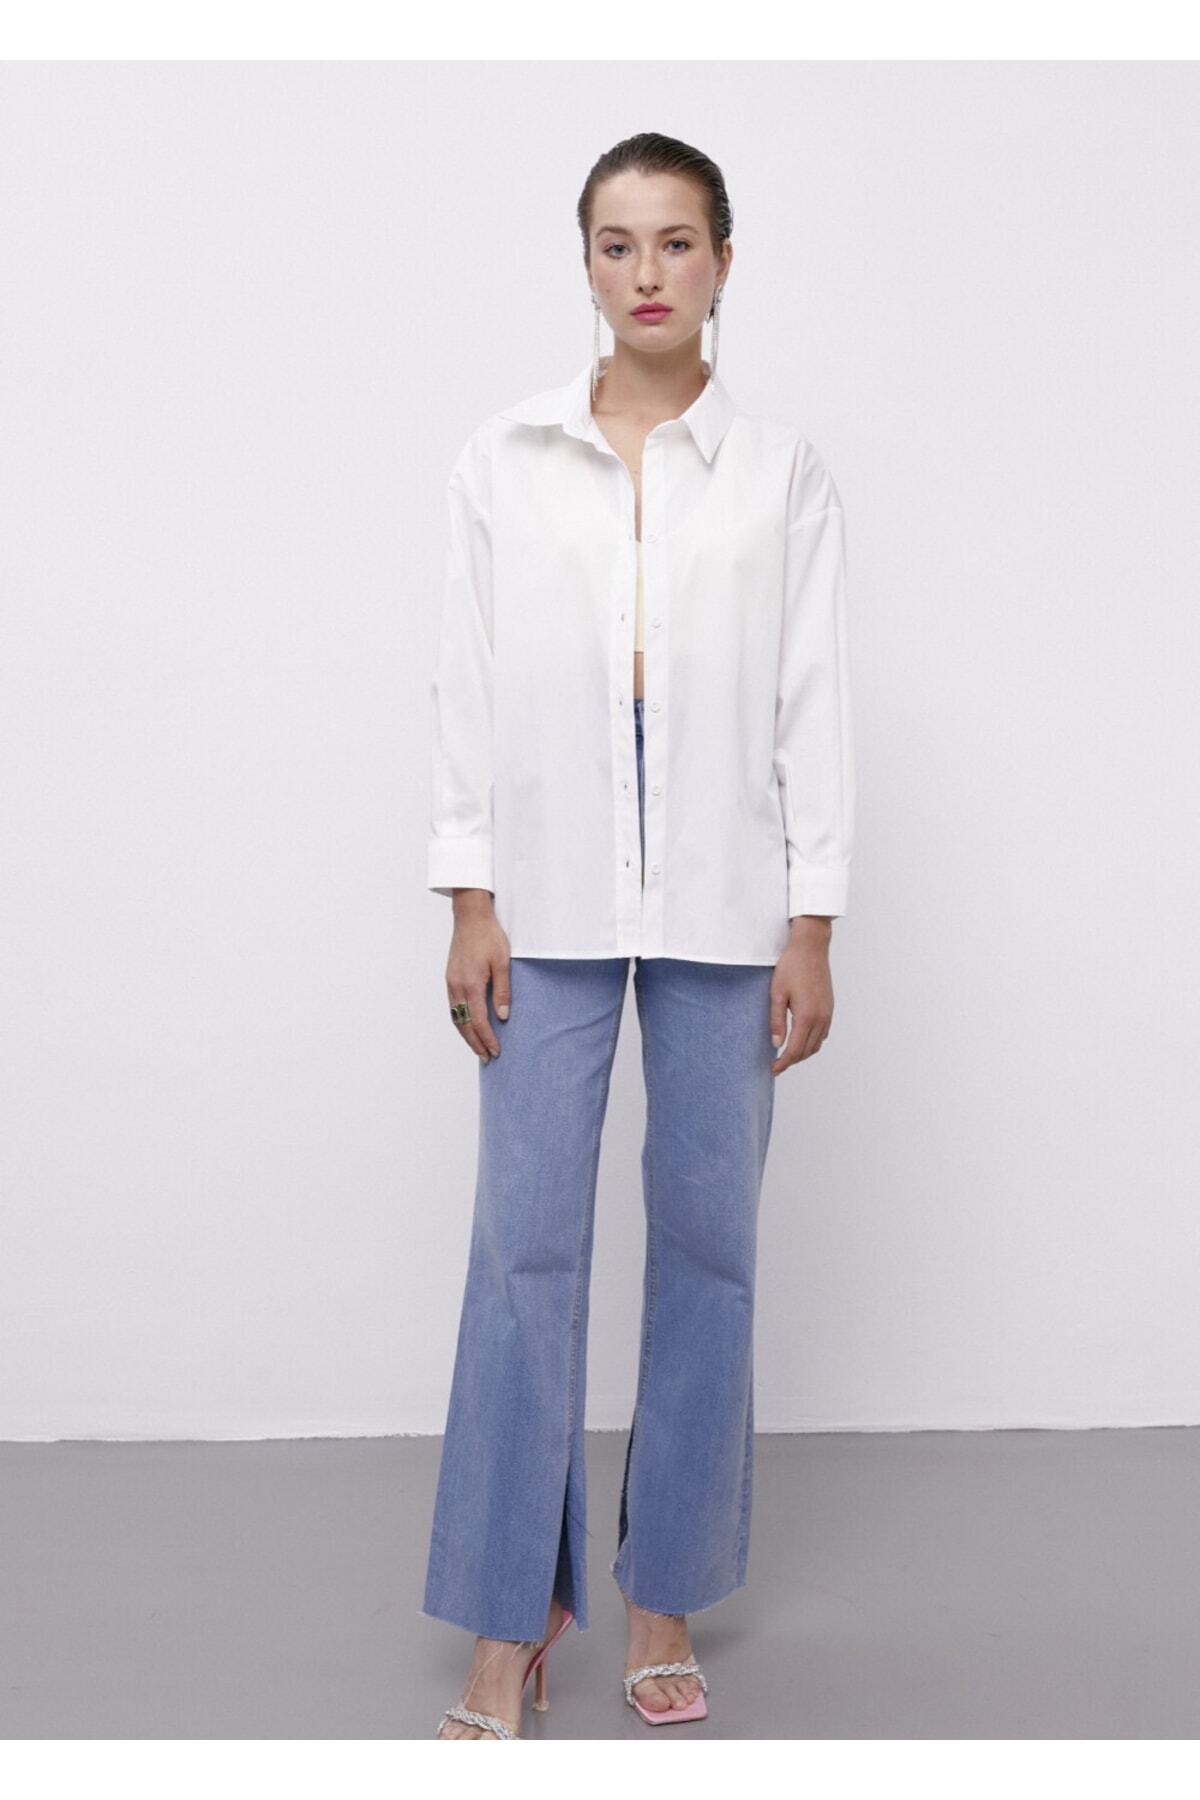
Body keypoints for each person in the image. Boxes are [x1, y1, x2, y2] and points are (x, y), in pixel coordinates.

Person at [421, 131, 855, 1739]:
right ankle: (511, 1614)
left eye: (677, 242)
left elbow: (813, 699)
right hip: (545, 887)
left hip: (729, 894)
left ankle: (662, 1591)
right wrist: (470, 896)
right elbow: (467, 683)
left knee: (710, 1247)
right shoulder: (506, 460)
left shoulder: (782, 473)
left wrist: (813, 921)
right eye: (619, 243)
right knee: (523, 1251)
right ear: (587, 265)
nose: (648, 272)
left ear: (725, 261)